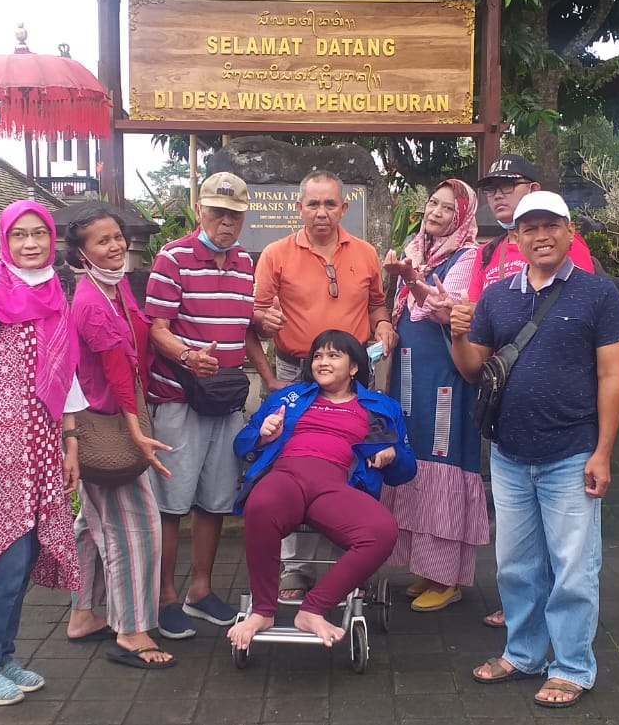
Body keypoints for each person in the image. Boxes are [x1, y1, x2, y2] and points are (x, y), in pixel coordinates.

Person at [449, 191, 619, 709]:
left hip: (572, 452)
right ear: (516, 238)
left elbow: (611, 374)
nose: (540, 236)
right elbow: (472, 368)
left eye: (551, 225)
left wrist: (603, 452)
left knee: (573, 567)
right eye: (529, 228)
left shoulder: (598, 294)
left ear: (570, 233)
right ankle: (525, 653)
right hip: (508, 455)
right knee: (515, 565)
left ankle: (573, 665)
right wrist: (459, 336)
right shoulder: (498, 295)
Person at [0, 200, 86, 707]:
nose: (31, 244)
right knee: (1, 560)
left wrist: (70, 443)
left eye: (39, 234)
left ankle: (3, 657)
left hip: (42, 446)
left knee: (24, 558)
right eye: (20, 235)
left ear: (53, 239)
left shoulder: (53, 291)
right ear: (4, 241)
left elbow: (62, 372)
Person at [143, 172, 280, 640]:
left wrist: (266, 367)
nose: (225, 222)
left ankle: (199, 590)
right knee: (172, 502)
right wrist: (186, 354)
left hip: (224, 396)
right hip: (179, 396)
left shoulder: (244, 263)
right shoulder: (172, 258)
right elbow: (156, 327)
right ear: (199, 210)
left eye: (234, 214)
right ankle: (163, 596)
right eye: (217, 212)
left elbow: (243, 326)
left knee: (217, 499)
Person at [253, 169, 397, 600]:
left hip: (355, 373)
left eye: (330, 204)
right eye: (312, 204)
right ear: (298, 207)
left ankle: (350, 560)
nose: (321, 212)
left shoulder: (366, 253)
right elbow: (257, 314)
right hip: (297, 369)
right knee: (294, 463)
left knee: (354, 460)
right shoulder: (276, 254)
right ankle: (296, 568)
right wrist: (266, 320)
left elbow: (376, 305)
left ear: (344, 208)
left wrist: (385, 325)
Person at [227, 329, 416, 650]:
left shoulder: (381, 407)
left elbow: (406, 469)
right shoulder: (290, 397)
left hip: (335, 485)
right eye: (317, 356)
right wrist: (262, 434)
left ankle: (313, 608)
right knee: (260, 505)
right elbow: (241, 444)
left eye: (333, 356)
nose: (322, 362)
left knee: (382, 531)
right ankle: (262, 610)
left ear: (354, 367)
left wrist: (392, 453)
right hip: (286, 475)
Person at [471, 154, 598, 630]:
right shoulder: (489, 254)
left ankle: (568, 656)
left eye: (509, 185)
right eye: (491, 188)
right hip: (510, 432)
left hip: (566, 432)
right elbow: (481, 333)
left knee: (570, 552)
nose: (499, 194)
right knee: (516, 548)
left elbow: (594, 353)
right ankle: (525, 635)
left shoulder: (577, 263)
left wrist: (602, 446)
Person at [62, 207, 178, 670]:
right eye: (101, 242)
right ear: (80, 253)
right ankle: (131, 629)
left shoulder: (115, 287)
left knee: (91, 525)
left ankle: (84, 613)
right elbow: (117, 370)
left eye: (116, 237)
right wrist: (139, 435)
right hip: (107, 424)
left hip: (108, 417)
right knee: (137, 527)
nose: (114, 246)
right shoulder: (91, 301)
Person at [378, 179, 489, 613]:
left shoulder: (468, 256)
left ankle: (447, 578)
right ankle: (426, 569)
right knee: (413, 456)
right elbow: (399, 304)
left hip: (445, 374)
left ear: (462, 216)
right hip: (409, 370)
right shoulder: (415, 246)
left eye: (448, 207)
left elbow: (442, 309)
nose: (436, 212)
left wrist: (413, 279)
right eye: (432, 203)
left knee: (442, 459)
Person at [468, 155, 596, 301]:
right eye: (490, 189)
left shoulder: (563, 242)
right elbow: (474, 309)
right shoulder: (485, 252)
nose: (497, 195)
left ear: (533, 189)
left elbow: (584, 302)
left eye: (506, 185)